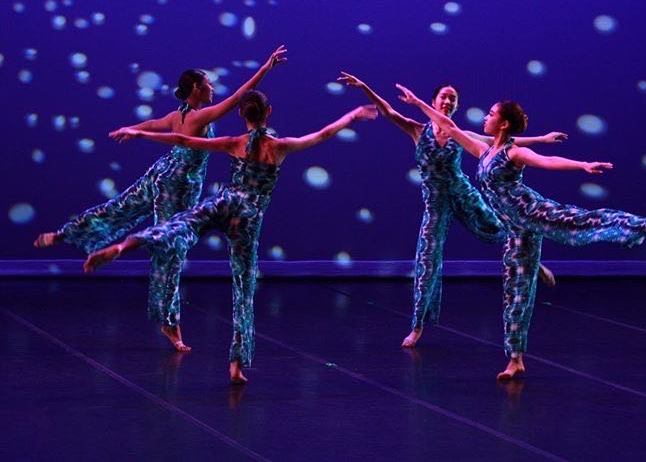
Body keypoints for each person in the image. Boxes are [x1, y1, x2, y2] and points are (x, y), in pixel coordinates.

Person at [395, 83, 646, 380]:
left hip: (534, 211)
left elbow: (548, 161)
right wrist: (419, 104)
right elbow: (448, 125)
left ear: (503, 124)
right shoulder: (482, 151)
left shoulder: (512, 153)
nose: (485, 118)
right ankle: (515, 360)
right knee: (515, 292)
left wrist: (582, 165)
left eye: (491, 114)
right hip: (516, 230)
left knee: (584, 221)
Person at [83, 89, 378, 384]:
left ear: (241, 114)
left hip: (224, 202)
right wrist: (353, 115)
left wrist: (139, 133)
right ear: (269, 112)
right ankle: (236, 364)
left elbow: (184, 140)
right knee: (243, 290)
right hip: (248, 218)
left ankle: (124, 245)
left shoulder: (234, 143)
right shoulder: (281, 147)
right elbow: (323, 134)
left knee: (176, 225)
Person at [34, 46, 287, 351]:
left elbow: (155, 126)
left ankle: (64, 233)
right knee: (170, 249)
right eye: (207, 84)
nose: (212, 88)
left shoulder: (177, 115)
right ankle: (169, 322)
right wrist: (265, 68)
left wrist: (133, 129)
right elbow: (238, 97)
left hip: (161, 173)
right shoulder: (199, 116)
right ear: (196, 87)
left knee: (119, 209)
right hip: (178, 185)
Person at [337, 72, 565, 347]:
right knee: (427, 260)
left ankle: (533, 263)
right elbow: (388, 111)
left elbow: (505, 143)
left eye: (452, 99)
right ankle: (418, 325)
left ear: (455, 106)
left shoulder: (461, 134)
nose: (447, 101)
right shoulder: (417, 130)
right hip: (436, 202)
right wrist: (365, 87)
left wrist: (541, 139)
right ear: (433, 101)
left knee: (501, 228)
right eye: (443, 97)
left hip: (462, 192)